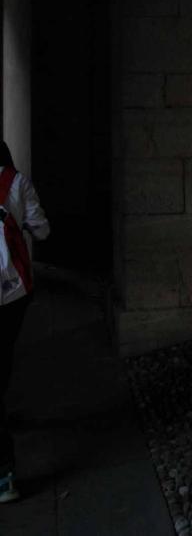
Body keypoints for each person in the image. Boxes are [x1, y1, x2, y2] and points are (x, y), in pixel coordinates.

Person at [0, 141, 50, 503]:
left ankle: (4, 473)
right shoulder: (16, 183)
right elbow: (42, 230)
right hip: (12, 292)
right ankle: (4, 474)